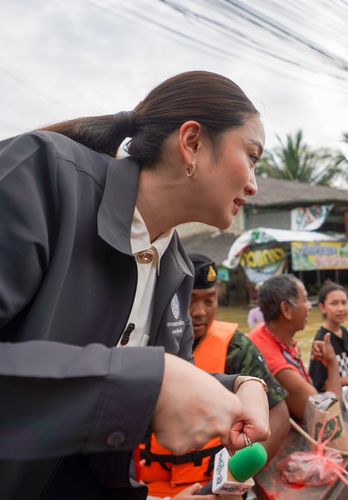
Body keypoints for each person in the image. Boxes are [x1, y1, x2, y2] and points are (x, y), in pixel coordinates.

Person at [0, 71, 270, 499]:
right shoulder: (37, 175)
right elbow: (139, 382)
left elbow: (144, 395)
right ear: (193, 142)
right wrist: (150, 382)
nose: (254, 184)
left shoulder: (176, 268)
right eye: (252, 157)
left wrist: (239, 387)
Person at [139, 254, 290, 499]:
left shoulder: (236, 347)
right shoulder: (140, 339)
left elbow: (278, 414)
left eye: (210, 301)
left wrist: (233, 480)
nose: (199, 312)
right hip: (144, 487)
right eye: (190, 301)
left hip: (213, 487)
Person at [250, 274, 342, 421]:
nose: (309, 306)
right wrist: (332, 363)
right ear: (286, 309)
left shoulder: (264, 332)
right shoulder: (276, 364)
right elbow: (326, 417)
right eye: (305, 300)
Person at [309, 281, 348, 410]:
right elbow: (318, 384)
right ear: (322, 307)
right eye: (334, 303)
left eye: (344, 302)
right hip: (333, 406)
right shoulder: (322, 340)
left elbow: (346, 362)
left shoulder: (344, 332)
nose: (341, 308)